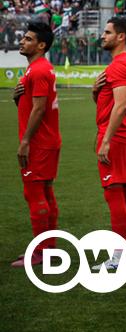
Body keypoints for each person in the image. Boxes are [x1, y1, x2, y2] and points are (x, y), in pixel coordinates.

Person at [92, 16, 126, 270]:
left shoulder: (118, 66)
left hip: (117, 136)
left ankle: (118, 255)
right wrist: (95, 92)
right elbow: (113, 102)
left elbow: (121, 104)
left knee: (114, 193)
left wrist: (106, 140)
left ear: (120, 36)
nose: (103, 36)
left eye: (108, 32)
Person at [11, 22, 61, 268]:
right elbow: (33, 105)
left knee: (34, 193)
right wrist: (18, 99)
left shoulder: (39, 70)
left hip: (39, 143)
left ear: (41, 45)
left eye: (28, 39)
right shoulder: (38, 70)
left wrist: (25, 142)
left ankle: (41, 252)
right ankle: (49, 248)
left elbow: (40, 109)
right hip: (47, 141)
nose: (22, 41)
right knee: (45, 193)